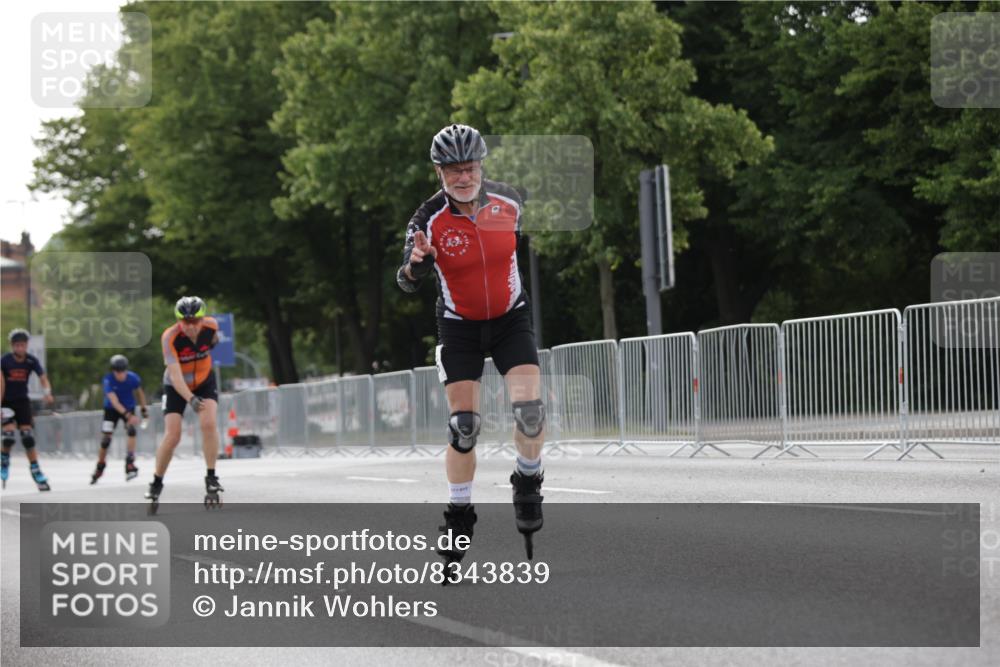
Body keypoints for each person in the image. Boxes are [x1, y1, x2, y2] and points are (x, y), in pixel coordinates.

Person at [397, 123, 545, 562]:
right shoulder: (426, 220)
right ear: (439, 173)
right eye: (452, 171)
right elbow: (404, 279)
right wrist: (418, 266)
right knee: (464, 427)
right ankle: (459, 514)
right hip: (459, 326)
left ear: (482, 165)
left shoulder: (511, 201)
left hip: (510, 319)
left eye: (470, 167)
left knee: (531, 413)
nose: (463, 177)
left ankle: (528, 478)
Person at [144, 297, 224, 504]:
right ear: (178, 321)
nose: (190, 327)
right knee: (173, 435)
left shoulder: (211, 327)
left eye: (195, 321)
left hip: (204, 380)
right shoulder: (170, 337)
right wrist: (190, 398)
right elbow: (175, 375)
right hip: (176, 385)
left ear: (203, 319)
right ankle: (156, 482)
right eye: (185, 322)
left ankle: (211, 476)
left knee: (209, 423)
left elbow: (213, 343)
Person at [0, 329, 54, 491]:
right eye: (17, 345)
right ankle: (4, 460)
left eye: (23, 345)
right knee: (8, 436)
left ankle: (36, 470)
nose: (20, 349)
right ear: (12, 346)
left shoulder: (31, 361)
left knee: (27, 437)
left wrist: (47, 393)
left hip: (23, 401)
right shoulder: (4, 361)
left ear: (26, 345)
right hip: (6, 401)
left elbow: (42, 377)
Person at [91, 354, 147, 484]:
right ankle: (100, 465)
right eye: (117, 371)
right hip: (111, 410)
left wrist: (144, 409)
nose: (120, 374)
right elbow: (114, 401)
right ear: (113, 370)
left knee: (131, 431)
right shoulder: (108, 380)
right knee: (106, 440)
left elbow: (140, 393)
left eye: (122, 371)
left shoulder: (133, 378)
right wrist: (128, 416)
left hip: (128, 406)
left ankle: (130, 462)